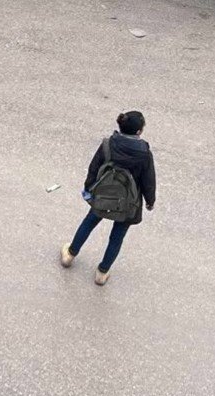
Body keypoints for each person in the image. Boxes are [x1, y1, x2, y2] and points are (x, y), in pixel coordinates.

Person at [60, 111, 157, 287]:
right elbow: (148, 181)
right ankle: (102, 273)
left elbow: (94, 168)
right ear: (138, 132)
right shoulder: (144, 153)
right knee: (117, 237)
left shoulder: (108, 144)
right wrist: (150, 201)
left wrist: (89, 189)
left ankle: (70, 255)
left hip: (103, 196)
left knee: (89, 222)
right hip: (128, 203)